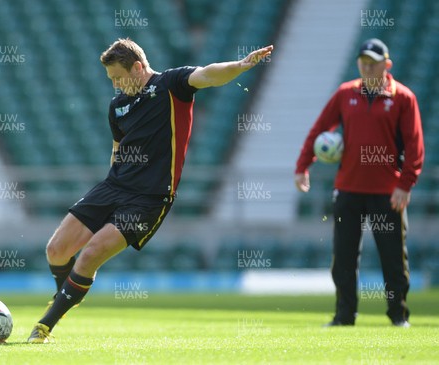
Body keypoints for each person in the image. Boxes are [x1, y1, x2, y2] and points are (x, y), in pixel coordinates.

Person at [27, 38, 273, 343]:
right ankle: (65, 295)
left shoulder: (171, 84)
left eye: (118, 77)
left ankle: (44, 326)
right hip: (113, 186)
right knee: (56, 249)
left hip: (149, 198)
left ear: (139, 67)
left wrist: (240, 65)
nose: (115, 85)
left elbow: (208, 74)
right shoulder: (117, 106)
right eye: (111, 80)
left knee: (89, 255)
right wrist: (107, 189)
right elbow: (117, 150)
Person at [295, 38, 424, 327]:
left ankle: (398, 316)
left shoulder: (403, 97)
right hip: (349, 189)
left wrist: (406, 184)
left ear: (386, 65)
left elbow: (415, 145)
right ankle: (344, 316)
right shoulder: (344, 94)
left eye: (373, 62)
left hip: (388, 192)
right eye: (363, 61)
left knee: (392, 260)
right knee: (343, 258)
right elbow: (319, 129)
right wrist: (303, 165)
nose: (367, 66)